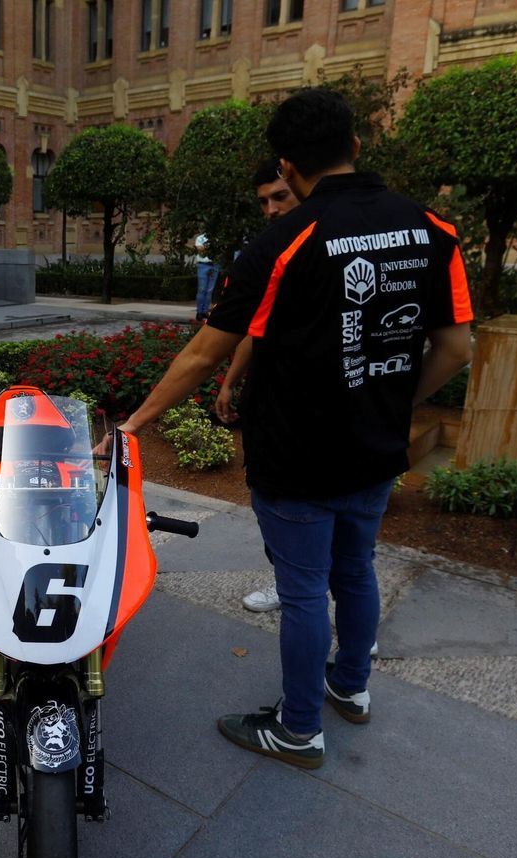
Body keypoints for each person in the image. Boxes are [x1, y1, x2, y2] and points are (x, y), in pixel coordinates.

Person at [116, 89, 473, 769]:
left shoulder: (282, 241)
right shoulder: (432, 229)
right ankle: (351, 687)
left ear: (288, 163)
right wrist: (396, 403)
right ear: (357, 146)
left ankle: (299, 727)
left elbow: (202, 353)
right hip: (375, 449)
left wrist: (134, 423)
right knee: (356, 569)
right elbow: (455, 348)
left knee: (305, 589)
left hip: (296, 453)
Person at [211, 159, 302, 616]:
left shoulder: (327, 248)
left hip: (321, 416)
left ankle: (352, 623)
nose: (270, 209)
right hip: (274, 416)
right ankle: (289, 584)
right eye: (263, 201)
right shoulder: (268, 254)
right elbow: (252, 329)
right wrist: (229, 382)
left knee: (347, 545)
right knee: (273, 514)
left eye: (280, 196)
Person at [192, 232, 218, 322]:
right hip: (203, 265)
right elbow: (199, 249)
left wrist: (206, 247)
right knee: (202, 289)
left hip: (215, 265)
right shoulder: (200, 238)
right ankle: (199, 311)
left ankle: (205, 311)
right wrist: (212, 247)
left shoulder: (219, 237)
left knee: (210, 290)